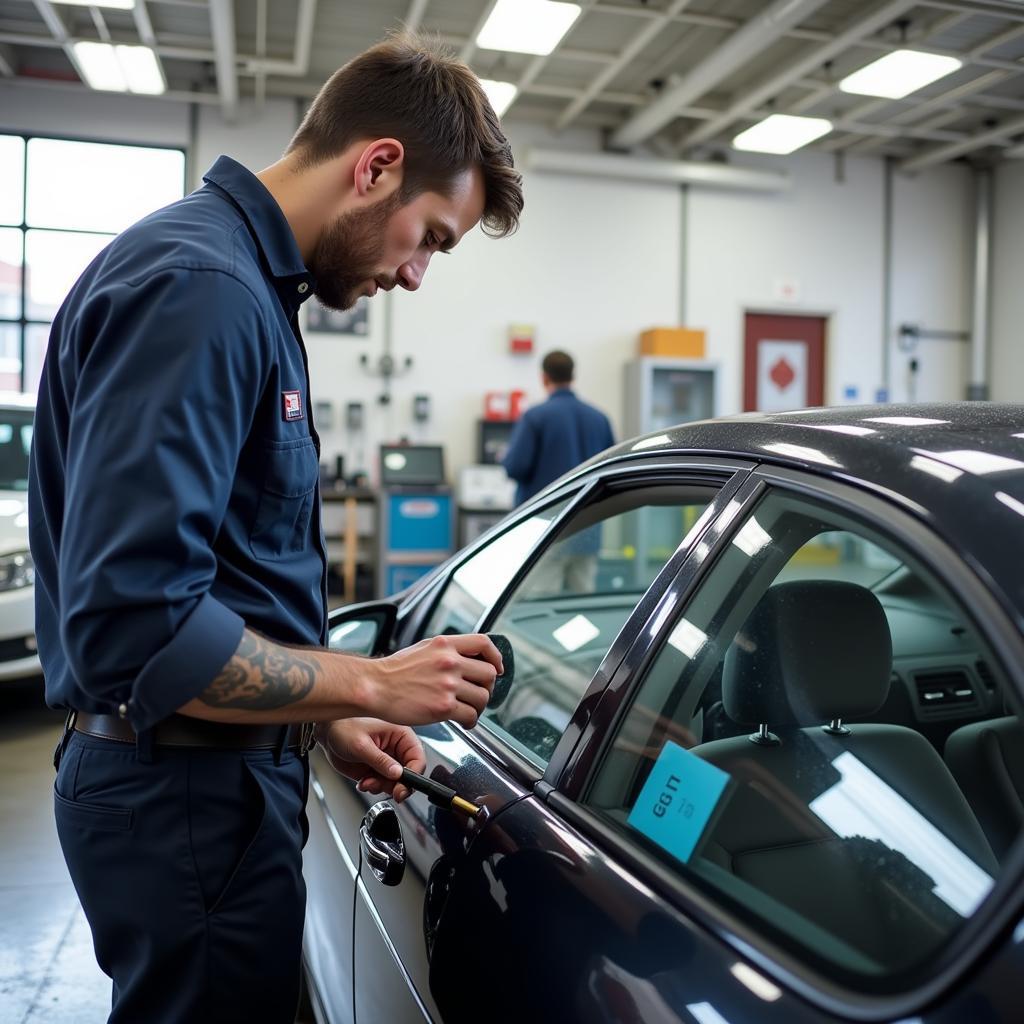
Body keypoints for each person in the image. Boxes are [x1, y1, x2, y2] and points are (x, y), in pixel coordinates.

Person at [28, 34, 523, 1024]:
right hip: (184, 804)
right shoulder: (202, 292)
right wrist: (372, 679)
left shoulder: (242, 289)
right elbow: (140, 631)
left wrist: (317, 715)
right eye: (429, 235)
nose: (418, 273)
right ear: (376, 165)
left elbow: (215, 587)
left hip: (205, 781)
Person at [502, 351, 614, 595]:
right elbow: (614, 469)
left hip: (548, 529)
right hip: (589, 527)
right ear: (573, 376)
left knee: (543, 600)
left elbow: (515, 467)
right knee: (582, 598)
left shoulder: (535, 417)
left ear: (544, 378)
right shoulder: (599, 418)